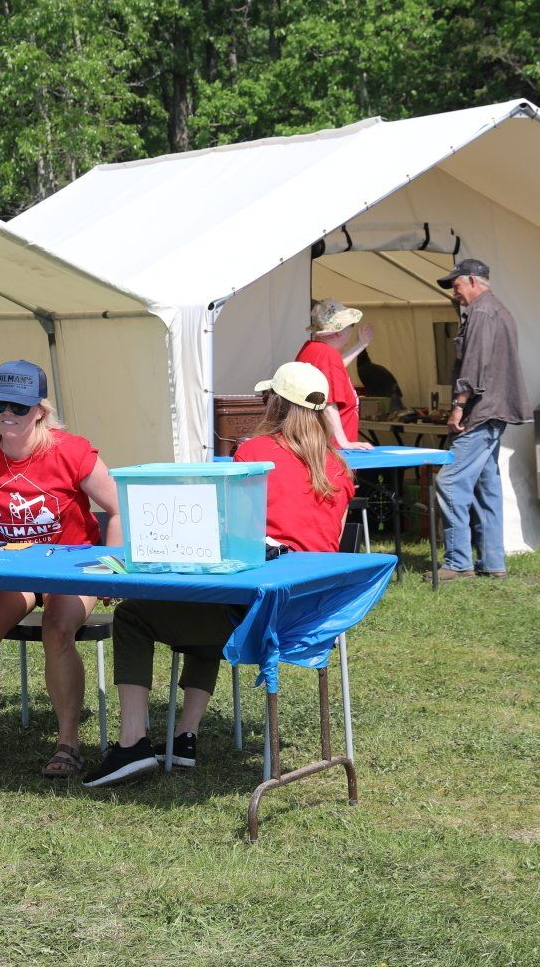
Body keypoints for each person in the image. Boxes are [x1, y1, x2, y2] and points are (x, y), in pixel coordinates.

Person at [82, 360, 356, 787]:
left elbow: (224, 536)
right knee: (210, 604)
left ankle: (132, 743)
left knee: (135, 615)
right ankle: (184, 736)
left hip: (257, 619)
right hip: (314, 619)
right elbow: (329, 547)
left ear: (273, 404)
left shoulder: (253, 455)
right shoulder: (340, 468)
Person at [0, 360, 121, 779]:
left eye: (20, 407)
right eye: (0, 404)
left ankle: (68, 744)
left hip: (71, 566)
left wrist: (114, 571)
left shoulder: (71, 450)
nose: (8, 414)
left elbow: (119, 509)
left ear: (41, 411)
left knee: (57, 630)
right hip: (13, 570)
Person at [433, 258, 527, 581]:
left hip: (479, 412)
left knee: (449, 481)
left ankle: (458, 562)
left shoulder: (482, 313)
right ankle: (492, 562)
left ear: (473, 280)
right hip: (493, 411)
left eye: (456, 285)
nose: (454, 293)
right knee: (486, 486)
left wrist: (458, 406)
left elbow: (474, 365)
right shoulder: (496, 310)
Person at [296, 299, 373, 451]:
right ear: (339, 331)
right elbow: (328, 402)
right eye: (351, 325)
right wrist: (344, 442)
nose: (351, 330)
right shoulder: (328, 354)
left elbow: (333, 370)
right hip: (334, 450)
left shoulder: (311, 350)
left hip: (318, 446)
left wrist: (361, 344)